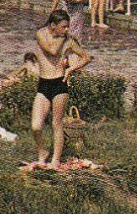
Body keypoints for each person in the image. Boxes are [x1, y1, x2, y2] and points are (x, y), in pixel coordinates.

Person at [32, 10, 92, 168]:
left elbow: (86, 57)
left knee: (56, 123)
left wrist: (71, 69)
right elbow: (51, 50)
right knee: (36, 126)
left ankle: (55, 160)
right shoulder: (41, 34)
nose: (67, 30)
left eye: (68, 27)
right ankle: (42, 151)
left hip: (59, 83)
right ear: (53, 25)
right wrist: (63, 38)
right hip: (43, 83)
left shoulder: (68, 41)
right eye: (64, 27)